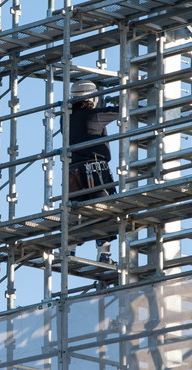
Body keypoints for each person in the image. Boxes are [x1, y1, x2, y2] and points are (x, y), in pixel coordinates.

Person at [66, 80, 119, 264]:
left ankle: (69, 251)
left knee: (76, 211)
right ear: (92, 98)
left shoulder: (68, 117)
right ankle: (104, 255)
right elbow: (121, 111)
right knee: (105, 211)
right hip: (95, 170)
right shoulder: (93, 116)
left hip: (73, 171)